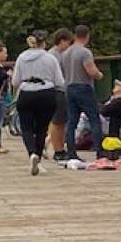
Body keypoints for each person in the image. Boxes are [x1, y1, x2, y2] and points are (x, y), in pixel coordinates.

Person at [13, 30, 65, 176]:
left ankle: (32, 154)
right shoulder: (50, 58)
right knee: (42, 128)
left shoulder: (21, 58)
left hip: (26, 94)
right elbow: (60, 82)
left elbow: (15, 81)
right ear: (44, 42)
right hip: (46, 94)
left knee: (27, 128)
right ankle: (39, 159)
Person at [63, 25, 103, 160]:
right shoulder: (85, 53)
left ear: (75, 36)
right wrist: (99, 75)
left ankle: (71, 153)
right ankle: (100, 152)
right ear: (87, 36)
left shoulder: (66, 53)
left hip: (69, 87)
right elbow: (91, 71)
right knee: (94, 120)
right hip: (84, 87)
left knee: (71, 123)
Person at [48, 28, 73, 161]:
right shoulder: (53, 55)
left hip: (62, 90)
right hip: (56, 90)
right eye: (68, 42)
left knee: (62, 122)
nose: (69, 46)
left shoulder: (61, 54)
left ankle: (61, 149)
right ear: (61, 41)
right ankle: (57, 149)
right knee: (57, 122)